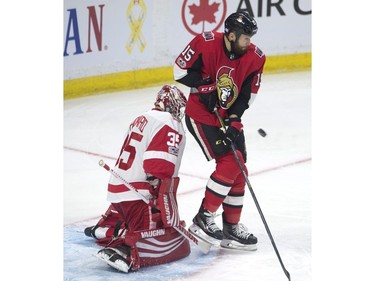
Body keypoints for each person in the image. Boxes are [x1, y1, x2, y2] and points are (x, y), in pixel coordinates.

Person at [173, 11, 266, 251]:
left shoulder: (256, 58)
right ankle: (204, 217)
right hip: (201, 115)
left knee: (239, 167)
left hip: (226, 117)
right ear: (231, 35)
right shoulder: (205, 42)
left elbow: (246, 95)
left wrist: (234, 120)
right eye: (245, 37)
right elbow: (180, 71)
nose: (250, 42)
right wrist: (204, 85)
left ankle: (230, 229)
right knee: (230, 163)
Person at [84, 85, 190, 272]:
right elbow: (157, 165)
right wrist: (159, 198)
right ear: (172, 104)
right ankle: (124, 250)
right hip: (138, 196)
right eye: (179, 107)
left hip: (118, 194)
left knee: (137, 222)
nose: (179, 113)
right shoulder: (169, 121)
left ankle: (107, 228)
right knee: (173, 240)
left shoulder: (142, 118)